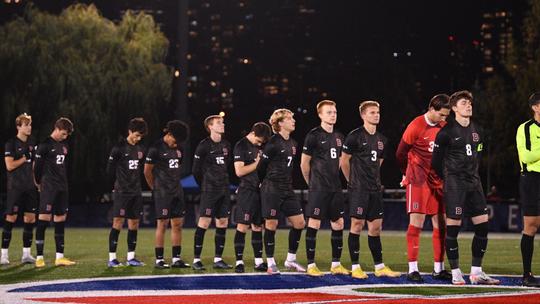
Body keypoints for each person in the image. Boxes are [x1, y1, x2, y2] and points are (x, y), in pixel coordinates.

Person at [431, 90, 499, 285]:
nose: (468, 106)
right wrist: (451, 178)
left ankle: (476, 272)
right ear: (453, 108)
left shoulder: (478, 130)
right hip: (455, 185)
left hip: (474, 183)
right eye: (463, 103)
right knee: (453, 230)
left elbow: (478, 155)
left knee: (483, 226)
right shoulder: (445, 132)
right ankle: (456, 272)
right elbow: (436, 163)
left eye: (469, 102)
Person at [340, 101, 400, 279]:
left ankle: (379, 266)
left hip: (374, 189)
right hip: (358, 189)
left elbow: (378, 164)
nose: (376, 115)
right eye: (372, 112)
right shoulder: (354, 136)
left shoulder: (382, 140)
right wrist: (352, 181)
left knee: (376, 228)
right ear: (363, 115)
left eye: (378, 112)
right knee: (357, 225)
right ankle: (356, 266)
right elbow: (344, 161)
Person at [395, 94, 452, 282]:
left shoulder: (444, 126)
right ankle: (412, 269)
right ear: (432, 109)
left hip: (438, 180)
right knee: (417, 223)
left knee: (441, 224)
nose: (444, 119)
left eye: (446, 116)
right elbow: (400, 153)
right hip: (418, 179)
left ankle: (439, 268)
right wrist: (407, 173)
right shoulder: (416, 125)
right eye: (442, 115)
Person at [300, 100, 349, 277]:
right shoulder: (313, 135)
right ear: (320, 115)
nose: (333, 115)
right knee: (314, 223)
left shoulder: (339, 137)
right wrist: (311, 183)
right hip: (318, 187)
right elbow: (304, 164)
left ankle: (336, 264)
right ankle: (311, 265)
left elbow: (342, 163)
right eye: (329, 112)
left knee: (339, 223)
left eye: (334, 112)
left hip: (335, 187)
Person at [257, 108, 306, 275]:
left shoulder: (293, 143)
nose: (293, 120)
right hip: (272, 188)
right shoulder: (272, 143)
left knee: (300, 223)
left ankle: (290, 260)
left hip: (287, 188)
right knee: (272, 224)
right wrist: (263, 183)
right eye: (289, 118)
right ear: (280, 123)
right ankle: (270, 263)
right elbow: (261, 167)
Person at [145, 120, 190, 269]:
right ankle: (159, 260)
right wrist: (155, 188)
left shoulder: (180, 149)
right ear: (169, 135)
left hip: (177, 190)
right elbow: (147, 171)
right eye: (175, 141)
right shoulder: (155, 148)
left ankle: (176, 259)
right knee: (162, 224)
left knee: (177, 225)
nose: (176, 144)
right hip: (162, 192)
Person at [191, 115, 233, 270]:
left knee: (223, 222)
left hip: (224, 189)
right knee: (204, 222)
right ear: (210, 126)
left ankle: (218, 259)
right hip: (209, 190)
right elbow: (195, 170)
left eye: (222, 122)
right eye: (219, 123)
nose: (222, 124)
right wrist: (205, 185)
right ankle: (196, 260)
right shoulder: (203, 146)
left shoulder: (226, 145)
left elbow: (226, 166)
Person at [33, 117, 75, 268]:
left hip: (62, 188)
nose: (65, 137)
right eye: (63, 133)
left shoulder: (65, 145)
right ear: (56, 129)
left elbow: (65, 166)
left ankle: (60, 257)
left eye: (67, 135)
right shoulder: (44, 145)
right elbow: (36, 168)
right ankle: (39, 257)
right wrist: (39, 183)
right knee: (43, 219)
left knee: (60, 220)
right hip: (49, 187)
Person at [106, 118, 148, 268]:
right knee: (118, 222)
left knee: (134, 223)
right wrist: (114, 187)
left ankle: (131, 257)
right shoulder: (118, 148)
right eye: (136, 135)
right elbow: (109, 171)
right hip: (121, 192)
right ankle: (112, 258)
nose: (138, 138)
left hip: (135, 192)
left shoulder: (141, 150)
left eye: (140, 137)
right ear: (129, 131)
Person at [232, 122, 272, 273]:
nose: (260, 143)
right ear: (253, 133)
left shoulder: (259, 147)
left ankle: (258, 261)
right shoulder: (241, 146)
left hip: (259, 190)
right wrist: (257, 163)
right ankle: (239, 262)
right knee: (243, 225)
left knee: (257, 226)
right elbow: (239, 171)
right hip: (246, 191)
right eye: (259, 140)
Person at [1, 113, 38, 265]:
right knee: (11, 218)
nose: (29, 127)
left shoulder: (33, 143)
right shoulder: (11, 144)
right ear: (18, 127)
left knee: (30, 219)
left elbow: (35, 166)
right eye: (26, 125)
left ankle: (26, 254)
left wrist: (38, 182)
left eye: (30, 124)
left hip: (30, 188)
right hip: (15, 187)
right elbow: (9, 166)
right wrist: (24, 158)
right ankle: (3, 255)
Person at [515, 92, 540, 287]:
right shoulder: (525, 128)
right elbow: (526, 157)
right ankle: (527, 274)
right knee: (531, 225)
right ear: (535, 107)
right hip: (532, 179)